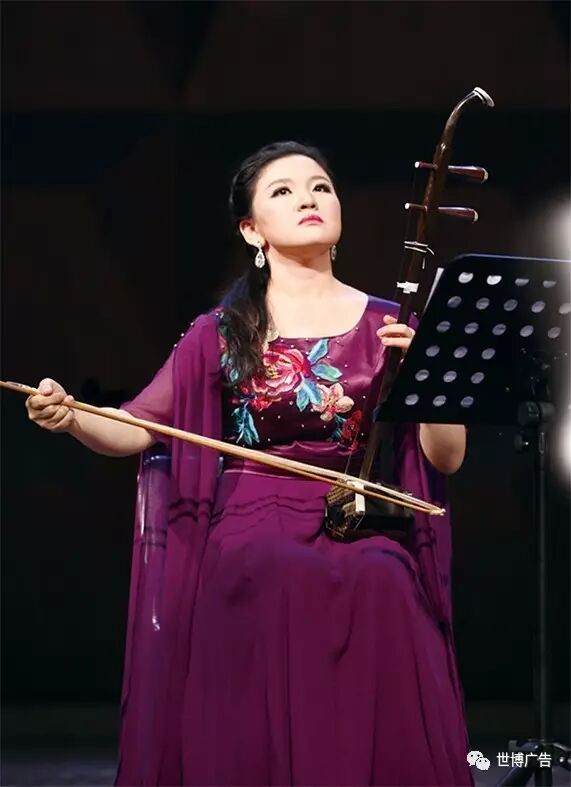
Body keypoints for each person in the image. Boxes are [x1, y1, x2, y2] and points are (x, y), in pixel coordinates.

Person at [26, 141, 473, 786]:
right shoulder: (222, 331)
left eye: (320, 187)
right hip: (253, 519)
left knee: (384, 577)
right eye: (283, 191)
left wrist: (429, 372)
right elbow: (136, 426)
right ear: (250, 229)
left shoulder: (392, 324)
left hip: (357, 519)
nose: (308, 199)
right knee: (269, 564)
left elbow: (446, 458)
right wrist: (70, 416)